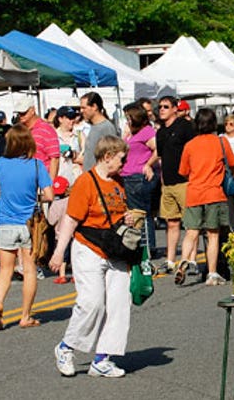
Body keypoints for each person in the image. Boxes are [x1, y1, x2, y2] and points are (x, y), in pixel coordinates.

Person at [50, 135, 133, 378]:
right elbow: (71, 219)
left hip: (115, 249)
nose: (124, 163)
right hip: (89, 247)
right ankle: (66, 348)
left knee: (119, 304)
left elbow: (119, 211)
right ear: (107, 157)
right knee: (92, 303)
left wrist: (127, 218)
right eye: (121, 158)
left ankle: (102, 358)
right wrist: (58, 252)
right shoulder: (86, 182)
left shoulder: (118, 182)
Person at [0, 124, 54, 330]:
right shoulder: (36, 165)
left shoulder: (0, 164)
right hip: (28, 224)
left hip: (5, 222)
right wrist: (35, 196)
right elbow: (49, 196)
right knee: (29, 270)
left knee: (5, 270)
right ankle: (25, 316)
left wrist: (4, 193)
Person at [176, 108, 234, 287]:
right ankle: (212, 273)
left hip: (194, 192)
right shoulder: (221, 142)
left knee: (191, 232)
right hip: (214, 193)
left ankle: (183, 262)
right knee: (213, 235)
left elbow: (183, 171)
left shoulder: (190, 145)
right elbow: (232, 163)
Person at [155, 96, 194, 274]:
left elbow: (193, 150)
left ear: (174, 109)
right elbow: (162, 157)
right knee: (171, 222)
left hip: (184, 181)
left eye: (165, 106)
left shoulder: (185, 127)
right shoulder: (160, 132)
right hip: (168, 183)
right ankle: (170, 260)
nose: (161, 109)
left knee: (190, 223)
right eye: (160, 107)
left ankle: (190, 260)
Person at [121, 103, 158, 247]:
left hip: (137, 176)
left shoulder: (147, 131)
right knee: (134, 213)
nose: (127, 121)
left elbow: (157, 149)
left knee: (141, 213)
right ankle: (139, 244)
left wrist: (148, 164)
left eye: (129, 118)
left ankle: (147, 246)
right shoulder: (132, 132)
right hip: (127, 175)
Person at [14, 96, 60, 179]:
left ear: (32, 110)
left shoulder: (46, 130)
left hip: (41, 180)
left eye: (24, 113)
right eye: (19, 113)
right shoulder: (19, 130)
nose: (21, 116)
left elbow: (54, 159)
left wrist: (49, 185)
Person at [80, 92, 118, 170]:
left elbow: (112, 155)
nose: (81, 111)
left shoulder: (106, 127)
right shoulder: (94, 126)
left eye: (84, 108)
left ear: (94, 107)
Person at [46, 176, 71, 284]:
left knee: (62, 256)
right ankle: (75, 275)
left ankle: (62, 275)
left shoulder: (55, 204)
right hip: (73, 234)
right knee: (73, 255)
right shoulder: (71, 200)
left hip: (60, 235)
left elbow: (51, 221)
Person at [55, 106, 83, 185]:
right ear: (60, 119)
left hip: (77, 179)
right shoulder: (53, 136)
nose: (72, 121)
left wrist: (72, 155)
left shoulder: (79, 135)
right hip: (59, 180)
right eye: (69, 118)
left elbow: (87, 158)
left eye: (73, 118)